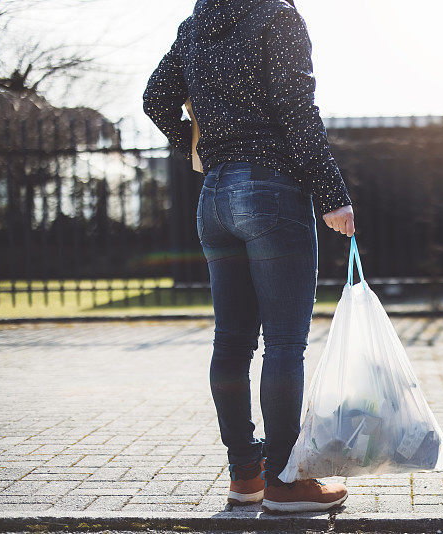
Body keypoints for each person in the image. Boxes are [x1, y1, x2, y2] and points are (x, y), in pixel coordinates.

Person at [143, 0, 354, 513]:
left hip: (213, 198)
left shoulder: (195, 25)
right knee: (284, 342)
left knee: (233, 341)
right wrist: (332, 195)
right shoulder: (275, 16)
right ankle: (286, 481)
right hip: (271, 190)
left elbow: (155, 99)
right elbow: (297, 109)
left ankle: (246, 476)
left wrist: (195, 146)